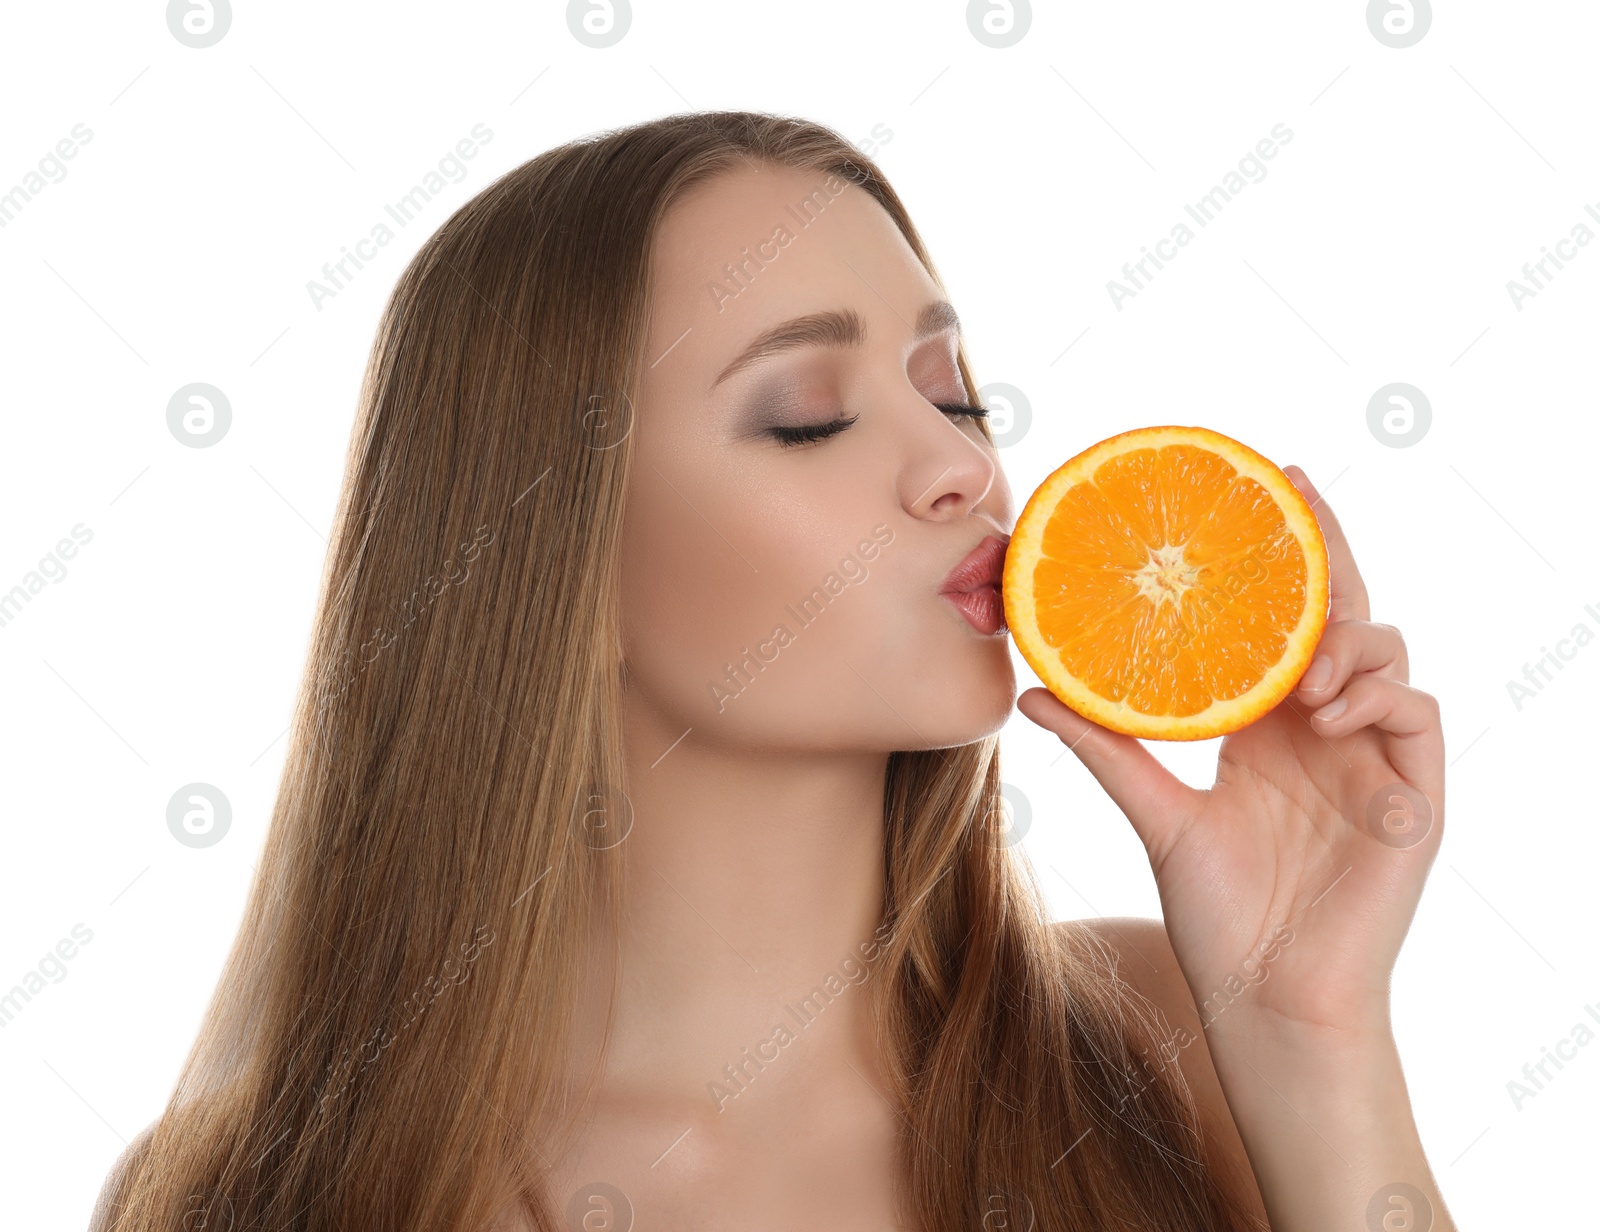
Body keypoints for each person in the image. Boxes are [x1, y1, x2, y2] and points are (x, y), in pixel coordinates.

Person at [91, 110, 1452, 1232]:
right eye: (808, 419)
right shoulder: (252, 1198)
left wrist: (1311, 1024)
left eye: (955, 392)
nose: (963, 468)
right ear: (550, 557)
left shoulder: (1170, 1040)